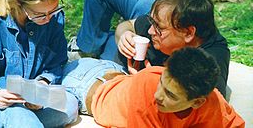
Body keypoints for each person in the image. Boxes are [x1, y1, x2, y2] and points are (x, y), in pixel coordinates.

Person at [70, 0, 230, 98]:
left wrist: (145, 81)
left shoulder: (208, 63)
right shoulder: (164, 25)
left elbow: (200, 107)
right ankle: (86, 46)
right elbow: (129, 25)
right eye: (153, 23)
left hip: (134, 70)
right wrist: (125, 34)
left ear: (188, 33)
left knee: (103, 54)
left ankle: (93, 48)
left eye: (158, 28)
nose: (151, 31)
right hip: (162, 25)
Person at [0, 0, 78, 127]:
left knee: (69, 105)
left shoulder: (53, 18)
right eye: (40, 14)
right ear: (18, 4)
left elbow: (56, 63)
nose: (48, 19)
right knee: (22, 118)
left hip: (28, 97)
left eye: (53, 10)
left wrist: (43, 85)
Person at [62, 47, 244, 127]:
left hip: (117, 76)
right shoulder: (147, 92)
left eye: (171, 95)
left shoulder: (212, 101)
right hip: (82, 85)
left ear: (197, 102)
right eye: (162, 82)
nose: (158, 96)